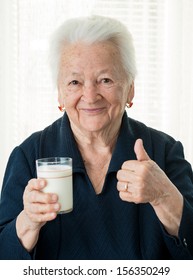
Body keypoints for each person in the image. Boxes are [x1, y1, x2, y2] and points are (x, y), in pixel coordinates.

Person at [0, 15, 193, 260]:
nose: (90, 96)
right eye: (74, 82)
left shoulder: (165, 151)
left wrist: (164, 197)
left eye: (105, 80)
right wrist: (28, 222)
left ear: (130, 89)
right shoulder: (29, 155)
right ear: (60, 94)